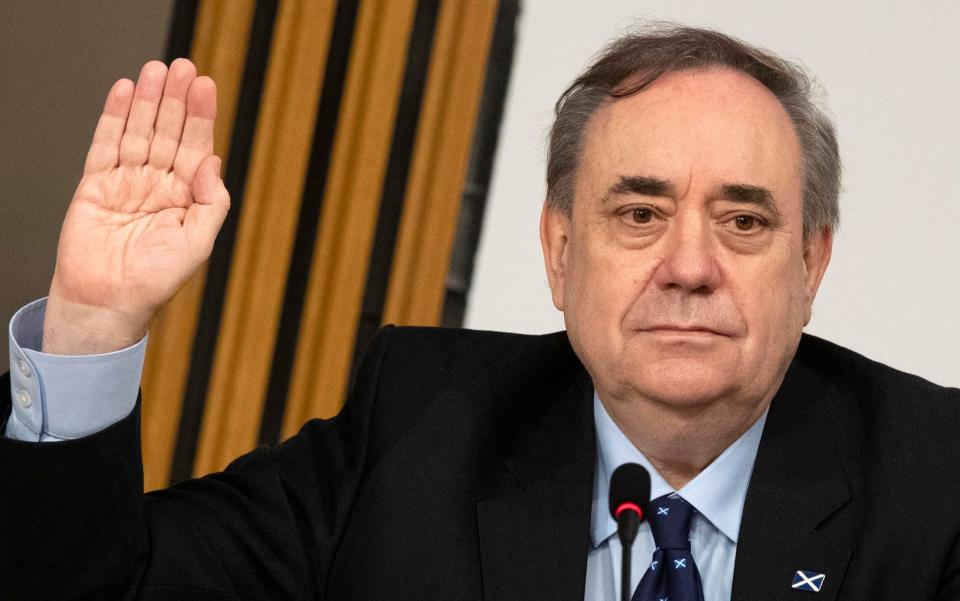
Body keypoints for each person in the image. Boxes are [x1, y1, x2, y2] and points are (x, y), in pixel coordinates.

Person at [1, 23, 958, 601]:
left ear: (811, 262)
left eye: (744, 220)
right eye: (639, 213)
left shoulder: (934, 483)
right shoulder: (419, 428)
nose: (690, 266)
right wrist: (93, 324)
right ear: (559, 251)